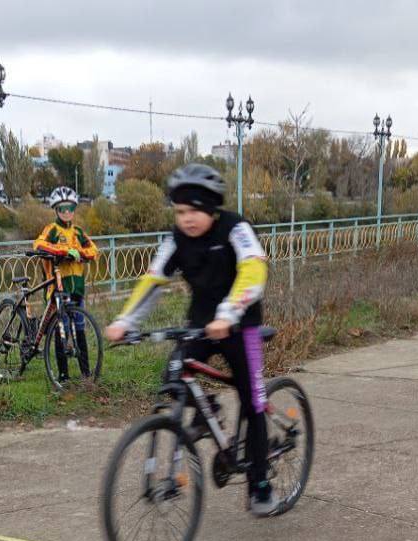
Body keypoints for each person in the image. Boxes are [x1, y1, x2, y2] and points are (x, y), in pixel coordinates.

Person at [106, 163, 276, 516]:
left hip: (241, 324)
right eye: (181, 211)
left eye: (195, 210)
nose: (187, 218)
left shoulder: (236, 228)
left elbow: (254, 269)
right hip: (200, 323)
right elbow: (154, 279)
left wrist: (229, 313)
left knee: (253, 401)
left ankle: (260, 483)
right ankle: (206, 410)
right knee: (174, 374)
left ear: (213, 209)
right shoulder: (176, 238)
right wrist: (125, 321)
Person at [33, 186, 98, 381]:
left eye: (70, 208)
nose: (67, 212)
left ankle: (86, 373)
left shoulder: (78, 231)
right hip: (58, 288)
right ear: (56, 210)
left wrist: (81, 254)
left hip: (76, 287)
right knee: (62, 328)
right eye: (62, 209)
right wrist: (63, 251)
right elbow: (38, 244)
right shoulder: (52, 229)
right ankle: (63, 375)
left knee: (79, 328)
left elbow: (94, 250)